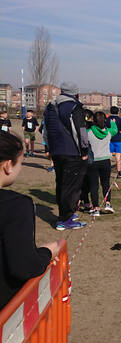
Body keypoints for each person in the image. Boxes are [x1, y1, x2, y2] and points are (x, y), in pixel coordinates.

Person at [0, 131, 60, 308]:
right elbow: (24, 266)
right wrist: (47, 252)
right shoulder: (16, 206)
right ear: (8, 166)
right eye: (21, 162)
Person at [43, 83, 89, 230]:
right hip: (72, 152)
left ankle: (65, 213)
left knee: (61, 183)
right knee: (72, 186)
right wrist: (84, 151)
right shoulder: (75, 107)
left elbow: (45, 130)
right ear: (75, 93)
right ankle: (65, 219)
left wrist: (48, 148)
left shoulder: (51, 106)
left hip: (56, 151)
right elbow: (80, 131)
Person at [85, 111, 118, 216]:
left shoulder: (88, 132)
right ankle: (108, 203)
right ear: (104, 120)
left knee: (94, 186)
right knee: (105, 183)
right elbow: (115, 130)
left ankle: (96, 208)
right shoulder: (108, 132)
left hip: (93, 162)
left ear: (93, 120)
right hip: (105, 161)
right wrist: (112, 122)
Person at [107, 106, 121, 179]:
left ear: (110, 111)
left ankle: (107, 172)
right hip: (118, 139)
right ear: (118, 112)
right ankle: (119, 172)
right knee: (118, 156)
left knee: (109, 156)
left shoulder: (107, 119)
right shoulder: (120, 120)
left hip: (109, 139)